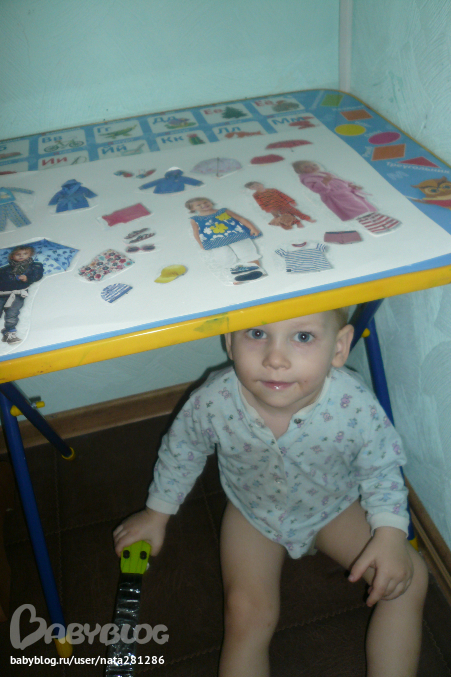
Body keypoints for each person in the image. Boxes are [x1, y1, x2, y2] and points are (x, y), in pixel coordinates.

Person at [113, 309, 428, 677]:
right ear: (230, 341)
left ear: (339, 347)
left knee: (410, 578)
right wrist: (156, 514)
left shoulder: (354, 402)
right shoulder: (213, 400)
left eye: (303, 337)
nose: (275, 358)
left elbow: (382, 467)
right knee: (246, 614)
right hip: (253, 514)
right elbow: (183, 449)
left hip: (334, 508)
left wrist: (389, 534)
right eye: (257, 333)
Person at [292, 161, 401, 235]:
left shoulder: (325, 173)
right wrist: (324, 182)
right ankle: (377, 228)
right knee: (361, 214)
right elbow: (317, 190)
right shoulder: (308, 179)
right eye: (306, 167)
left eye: (313, 164)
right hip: (338, 198)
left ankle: (390, 223)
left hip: (347, 193)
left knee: (368, 210)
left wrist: (351, 185)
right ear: (300, 171)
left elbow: (341, 181)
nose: (312, 166)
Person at [185, 197, 266, 283]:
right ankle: (237, 277)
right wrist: (200, 243)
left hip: (236, 235)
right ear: (192, 209)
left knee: (247, 252)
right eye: (198, 205)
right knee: (225, 258)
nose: (204, 205)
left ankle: (257, 271)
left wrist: (252, 228)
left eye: (205, 202)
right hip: (215, 241)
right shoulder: (195, 219)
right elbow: (196, 232)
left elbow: (240, 219)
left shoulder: (223, 211)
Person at [0, 245, 43, 344]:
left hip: (18, 295)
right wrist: (11, 278)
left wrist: (28, 278)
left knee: (12, 313)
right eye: (18, 254)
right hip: (2, 294)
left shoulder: (34, 267)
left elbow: (37, 275)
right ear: (12, 256)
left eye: (25, 254)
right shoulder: (5, 269)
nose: (21, 256)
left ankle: (9, 332)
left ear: (30, 255)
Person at [245, 181, 315, 229]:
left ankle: (308, 219)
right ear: (251, 189)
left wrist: (291, 201)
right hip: (275, 208)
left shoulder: (273, 190)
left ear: (261, 184)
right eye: (253, 187)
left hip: (285, 204)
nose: (257, 187)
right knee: (288, 216)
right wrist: (266, 209)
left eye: (257, 185)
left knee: (296, 212)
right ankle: (298, 223)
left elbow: (283, 195)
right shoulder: (256, 195)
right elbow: (260, 203)